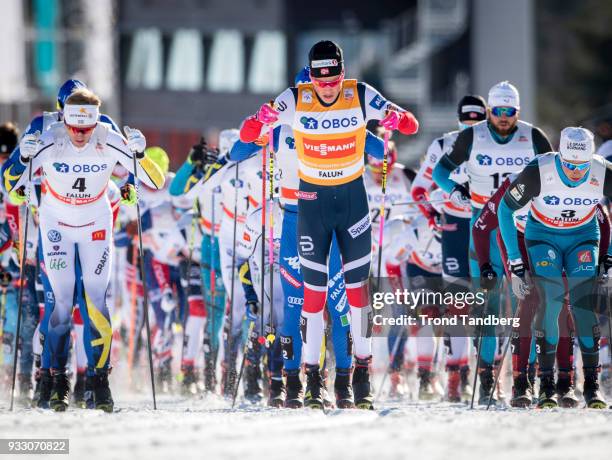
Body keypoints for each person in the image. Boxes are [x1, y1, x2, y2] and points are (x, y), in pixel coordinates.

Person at [239, 40, 419, 409]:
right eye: (314, 79)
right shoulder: (287, 113)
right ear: (304, 83)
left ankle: (354, 381)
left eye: (331, 77)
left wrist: (393, 124)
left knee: (352, 298)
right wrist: (260, 120)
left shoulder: (357, 96)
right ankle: (302, 381)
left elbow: (388, 142)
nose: (324, 85)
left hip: (349, 203)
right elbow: (243, 141)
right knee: (303, 299)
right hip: (301, 211)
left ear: (341, 73)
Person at [3, 88, 164, 411]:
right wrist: (22, 158)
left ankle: (99, 381)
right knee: (60, 304)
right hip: (56, 222)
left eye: (86, 130)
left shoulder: (107, 134)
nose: (80, 136)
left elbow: (156, 182)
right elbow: (9, 186)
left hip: (95, 221)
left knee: (96, 302)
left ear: (95, 123)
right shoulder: (50, 137)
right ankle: (57, 382)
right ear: (64, 120)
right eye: (74, 129)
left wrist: (141, 155)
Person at [432, 81, 553, 404]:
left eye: (509, 112)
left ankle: (526, 375)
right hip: (483, 225)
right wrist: (455, 190)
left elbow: (551, 172)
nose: (503, 117)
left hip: (522, 224)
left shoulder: (533, 136)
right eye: (497, 111)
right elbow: (440, 172)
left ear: (518, 112)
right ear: (489, 112)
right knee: (489, 304)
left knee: (530, 301)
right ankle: (486, 376)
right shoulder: (473, 136)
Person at [498, 127, 612, 408]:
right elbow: (504, 209)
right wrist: (515, 261)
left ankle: (591, 386)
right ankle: (547, 383)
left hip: (583, 237)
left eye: (581, 166)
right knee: (551, 303)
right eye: (569, 166)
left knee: (584, 306)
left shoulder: (602, 171)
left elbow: (607, 218)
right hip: (543, 237)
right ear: (560, 157)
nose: (575, 173)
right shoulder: (540, 169)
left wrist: (608, 255)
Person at [410, 95, 487, 401]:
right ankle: (457, 378)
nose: (471, 128)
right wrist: (432, 217)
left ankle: (488, 375)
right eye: (465, 122)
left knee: (489, 307)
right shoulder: (443, 146)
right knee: (457, 308)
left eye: (477, 122)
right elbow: (419, 189)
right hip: (454, 230)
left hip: (488, 229)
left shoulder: (498, 145)